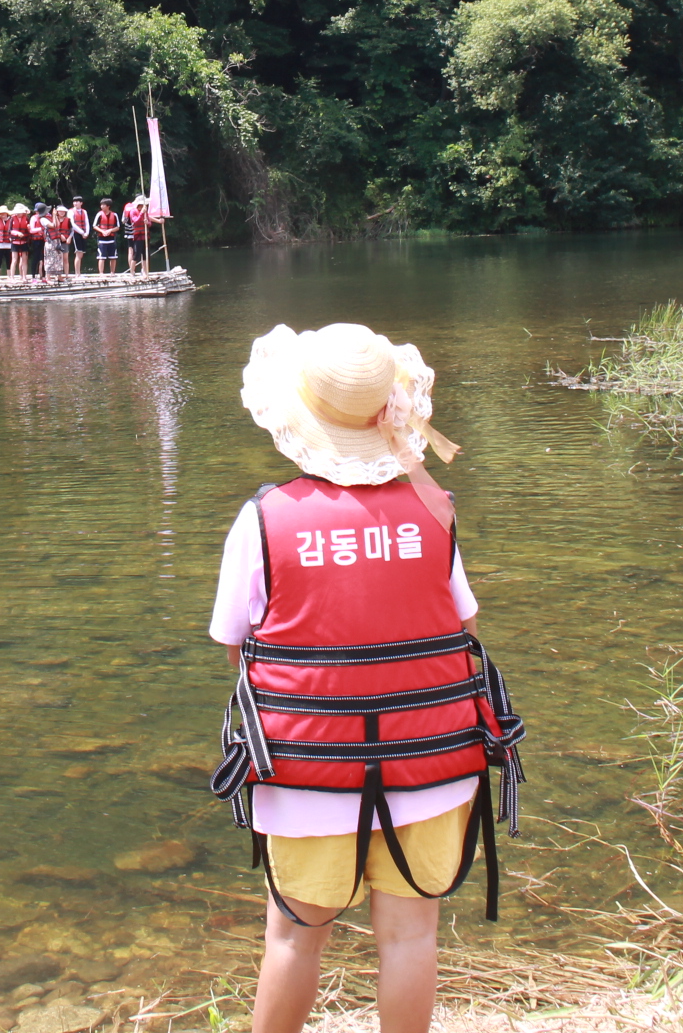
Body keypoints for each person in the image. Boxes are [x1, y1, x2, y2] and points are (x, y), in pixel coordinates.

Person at [208, 323, 517, 1033]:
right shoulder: (434, 513)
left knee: (291, 938)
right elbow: (460, 626)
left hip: (310, 771)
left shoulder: (263, 521)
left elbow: (238, 650)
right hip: (431, 765)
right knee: (411, 938)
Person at [44, 199, 72, 277]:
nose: (61, 213)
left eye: (63, 211)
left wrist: (69, 238)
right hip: (55, 242)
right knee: (57, 259)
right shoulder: (53, 219)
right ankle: (57, 275)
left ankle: (66, 275)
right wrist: (60, 235)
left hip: (64, 242)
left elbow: (72, 230)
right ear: (57, 212)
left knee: (65, 259)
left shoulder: (68, 220)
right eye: (60, 211)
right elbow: (53, 229)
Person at [125, 193, 153, 273]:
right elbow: (135, 222)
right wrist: (141, 213)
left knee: (145, 254)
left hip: (145, 235)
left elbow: (150, 223)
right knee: (136, 254)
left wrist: (147, 223)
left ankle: (145, 271)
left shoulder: (145, 212)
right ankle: (132, 271)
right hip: (138, 236)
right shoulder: (133, 211)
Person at [93, 198, 121, 274]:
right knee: (101, 257)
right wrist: (103, 231)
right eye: (101, 205)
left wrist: (110, 230)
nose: (101, 206)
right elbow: (94, 226)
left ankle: (112, 272)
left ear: (108, 206)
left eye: (103, 205)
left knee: (113, 257)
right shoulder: (99, 214)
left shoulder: (114, 215)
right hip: (101, 239)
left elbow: (118, 227)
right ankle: (101, 273)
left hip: (112, 239)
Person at [67, 196, 93, 273]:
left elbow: (86, 222)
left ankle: (79, 272)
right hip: (75, 233)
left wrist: (86, 233)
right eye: (74, 201)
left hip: (83, 233)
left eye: (77, 201)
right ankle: (77, 273)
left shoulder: (84, 211)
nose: (75, 203)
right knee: (78, 253)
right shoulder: (70, 211)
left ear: (81, 203)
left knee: (81, 254)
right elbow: (72, 224)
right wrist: (82, 232)